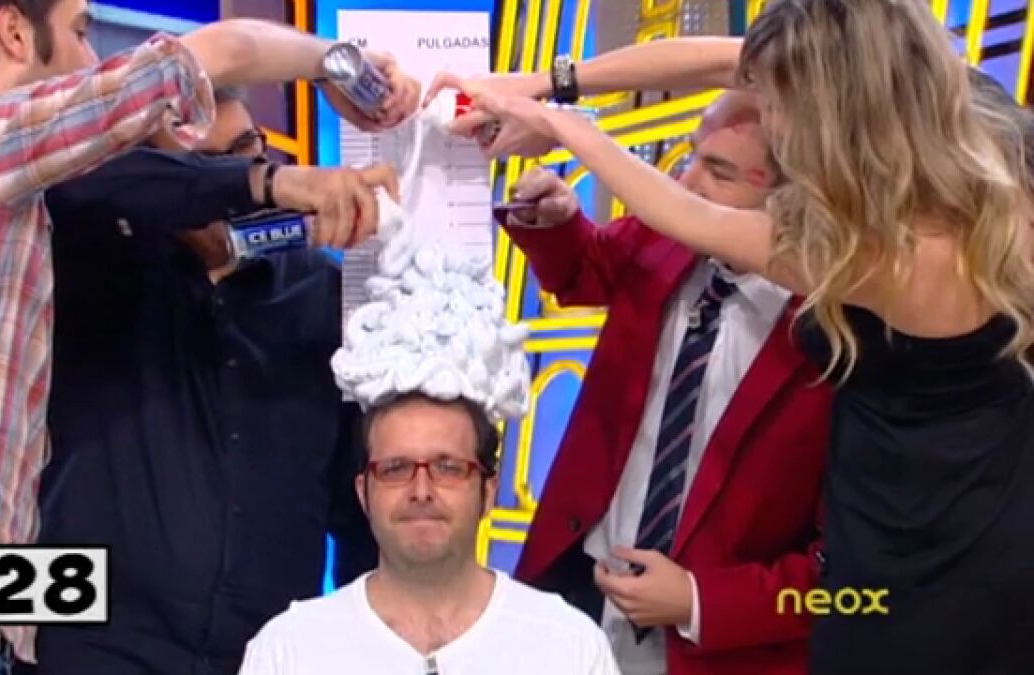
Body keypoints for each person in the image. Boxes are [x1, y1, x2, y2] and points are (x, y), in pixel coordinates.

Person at [433, 1, 1034, 673]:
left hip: (913, 584)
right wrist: (547, 84)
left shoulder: (877, 261)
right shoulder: (935, 136)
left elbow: (693, 217)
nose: (772, 117)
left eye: (779, 107)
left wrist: (559, 124)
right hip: (618, 589)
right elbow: (717, 68)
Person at [0, 0, 419, 670]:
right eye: (81, 32)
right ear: (15, 31)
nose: (90, 61)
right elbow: (223, 50)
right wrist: (340, 70)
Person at [30, 88, 381, 673]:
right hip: (93, 648)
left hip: (265, 653)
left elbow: (357, 503)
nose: (240, 184)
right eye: (208, 167)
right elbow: (60, 181)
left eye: (249, 155)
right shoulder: (83, 273)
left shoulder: (325, 295)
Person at [500, 92, 830, 675]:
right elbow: (587, 269)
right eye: (692, 155)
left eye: (719, 172)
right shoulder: (667, 237)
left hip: (720, 649)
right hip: (580, 590)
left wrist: (700, 602)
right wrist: (557, 221)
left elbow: (853, 580)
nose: (686, 183)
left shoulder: (845, 338)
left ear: (795, 197)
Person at [238, 393, 621, 674]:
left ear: (488, 493)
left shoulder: (568, 645)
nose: (421, 491)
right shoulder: (289, 649)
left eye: (448, 468)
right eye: (395, 469)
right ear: (363, 493)